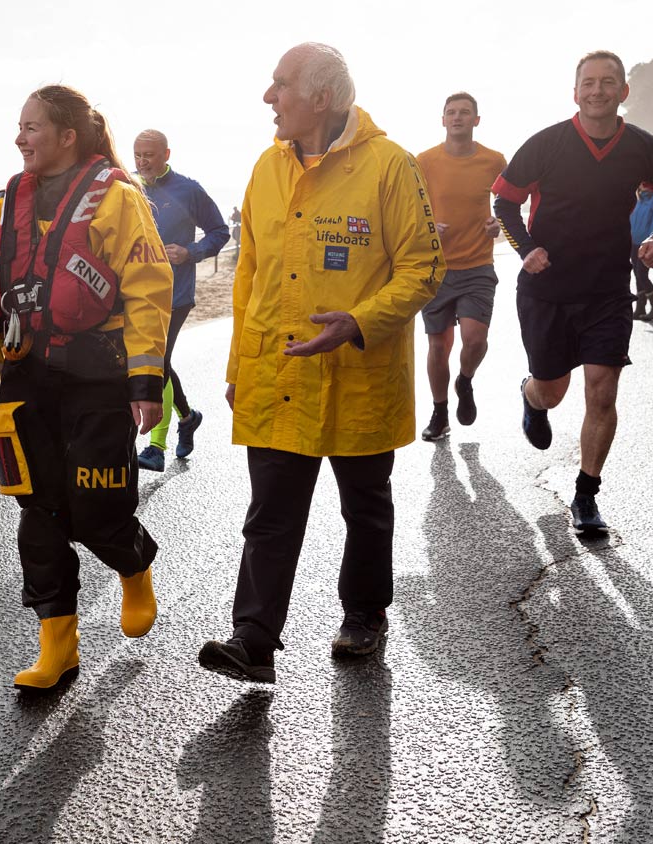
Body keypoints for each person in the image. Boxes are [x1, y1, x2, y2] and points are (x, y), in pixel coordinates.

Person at [197, 43, 443, 684]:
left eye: (280, 85)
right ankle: (253, 639)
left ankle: (364, 612)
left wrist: (360, 322)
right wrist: (238, 365)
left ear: (321, 99)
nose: (268, 97)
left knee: (365, 506)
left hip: (360, 372)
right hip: (277, 371)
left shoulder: (391, 166)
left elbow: (425, 267)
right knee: (270, 513)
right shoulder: (264, 168)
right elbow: (249, 274)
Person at [0, 84, 172, 692]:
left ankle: (133, 564)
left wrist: (145, 380)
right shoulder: (10, 202)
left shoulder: (117, 199)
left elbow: (147, 290)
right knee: (40, 509)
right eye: (19, 126)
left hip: (99, 374)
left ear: (67, 136)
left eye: (31, 127)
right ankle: (57, 644)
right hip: (27, 373)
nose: (20, 137)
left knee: (97, 508)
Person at [493, 50, 653, 534]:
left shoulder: (641, 148)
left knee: (602, 392)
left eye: (609, 82)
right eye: (589, 82)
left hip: (606, 291)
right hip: (547, 290)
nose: (598, 90)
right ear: (575, 91)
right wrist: (527, 249)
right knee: (553, 392)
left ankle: (586, 495)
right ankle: (531, 396)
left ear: (623, 92)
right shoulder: (547, 144)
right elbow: (505, 204)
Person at [132, 129, 230, 471]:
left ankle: (156, 447)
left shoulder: (188, 189)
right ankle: (187, 417)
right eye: (138, 155)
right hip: (137, 294)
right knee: (157, 362)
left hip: (175, 294)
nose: (142, 162)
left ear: (166, 155)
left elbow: (220, 231)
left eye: (150, 155)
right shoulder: (130, 188)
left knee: (156, 363)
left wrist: (190, 251)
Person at [415, 92, 507, 441]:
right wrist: (426, 226)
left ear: (476, 120)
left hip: (478, 265)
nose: (457, 117)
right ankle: (440, 413)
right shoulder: (424, 160)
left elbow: (511, 199)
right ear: (442, 120)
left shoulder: (494, 160)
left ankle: (464, 380)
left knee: (475, 339)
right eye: (451, 112)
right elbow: (408, 203)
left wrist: (499, 223)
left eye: (465, 113)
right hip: (436, 267)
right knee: (439, 346)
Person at [629, 185, 653, 320]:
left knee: (642, 274)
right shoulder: (637, 198)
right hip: (633, 243)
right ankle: (640, 307)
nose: (644, 186)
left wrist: (652, 240)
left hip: (645, 243)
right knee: (637, 274)